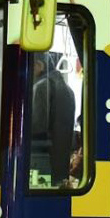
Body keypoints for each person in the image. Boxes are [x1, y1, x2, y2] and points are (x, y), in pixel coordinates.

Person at [30, 50, 76, 186]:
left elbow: (37, 126)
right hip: (61, 163)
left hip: (43, 161)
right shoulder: (68, 89)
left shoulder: (41, 87)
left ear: (39, 65)